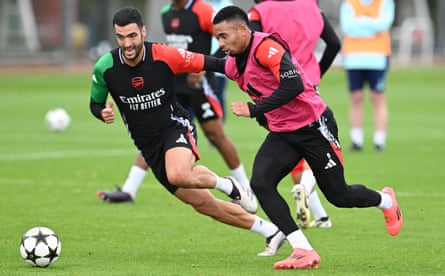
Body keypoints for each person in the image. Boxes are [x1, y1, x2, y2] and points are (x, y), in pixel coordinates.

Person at [209, 6, 402, 269]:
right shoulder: (307, 10)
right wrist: (175, 59)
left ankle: (387, 200)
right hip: (284, 129)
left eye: (223, 37)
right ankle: (302, 248)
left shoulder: (265, 36)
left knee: (339, 196)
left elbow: (295, 83)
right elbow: (216, 61)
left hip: (314, 126)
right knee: (262, 182)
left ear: (243, 29)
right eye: (217, 38)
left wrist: (255, 109)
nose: (220, 44)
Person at [89, 6, 286, 257]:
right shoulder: (105, 67)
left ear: (143, 31)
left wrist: (254, 75)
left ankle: (229, 185)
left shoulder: (163, 54)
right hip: (148, 147)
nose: (127, 43)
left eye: (132, 36)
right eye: (121, 37)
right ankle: (270, 232)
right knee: (204, 204)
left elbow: (213, 63)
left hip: (174, 128)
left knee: (179, 173)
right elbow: (95, 103)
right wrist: (101, 112)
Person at [96, 0, 251, 203]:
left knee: (215, 135)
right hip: (174, 85)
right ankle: (129, 189)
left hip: (200, 84)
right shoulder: (166, 13)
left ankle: (245, 188)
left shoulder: (203, 11)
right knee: (156, 131)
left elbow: (226, 37)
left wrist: (204, 66)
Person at [248, 0, 341, 228]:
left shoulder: (260, 11)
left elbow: (251, 48)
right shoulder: (311, 6)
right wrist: (317, 70)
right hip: (308, 84)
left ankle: (313, 204)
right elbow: (334, 43)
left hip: (275, 90)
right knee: (311, 142)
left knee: (291, 144)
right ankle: (318, 210)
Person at [340, 0, 395, 152]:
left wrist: (361, 23)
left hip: (377, 57)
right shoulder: (349, 3)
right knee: (356, 97)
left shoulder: (385, 2)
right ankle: (356, 140)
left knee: (377, 97)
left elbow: (383, 25)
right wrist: (372, 25)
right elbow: (347, 27)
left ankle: (379, 141)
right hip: (353, 58)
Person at [205, 0, 233, 122]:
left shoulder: (227, 6)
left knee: (217, 98)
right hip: (197, 63)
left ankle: (217, 135)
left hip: (218, 65)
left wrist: (212, 59)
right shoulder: (199, 5)